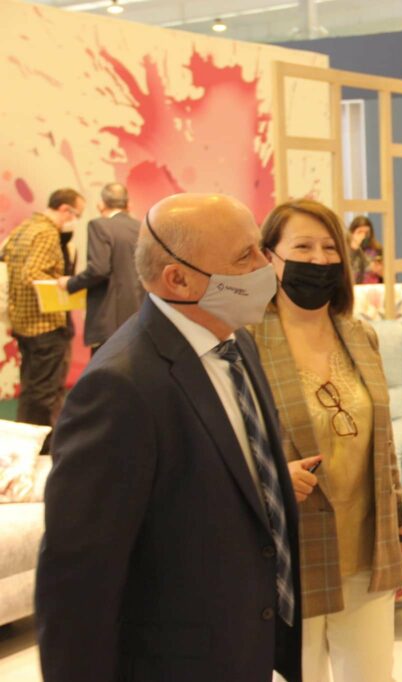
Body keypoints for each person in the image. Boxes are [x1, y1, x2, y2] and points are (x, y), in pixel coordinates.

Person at [35, 193, 303, 682]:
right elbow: (77, 580)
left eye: (261, 248)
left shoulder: (236, 342)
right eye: (244, 256)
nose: (267, 267)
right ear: (178, 279)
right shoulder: (118, 387)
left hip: (244, 648)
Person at [251, 199, 402, 681]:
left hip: (366, 548)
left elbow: (384, 449)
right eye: (302, 247)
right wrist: (272, 477)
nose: (319, 259)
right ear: (269, 258)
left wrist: (399, 535)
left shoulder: (361, 336)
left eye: (329, 248)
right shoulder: (245, 343)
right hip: (289, 552)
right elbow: (225, 445)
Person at [1, 187, 83, 441]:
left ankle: (25, 442)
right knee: (45, 392)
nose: (76, 220)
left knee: (31, 389)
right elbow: (32, 273)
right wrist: (63, 283)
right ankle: (42, 445)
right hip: (45, 323)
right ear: (65, 209)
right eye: (77, 214)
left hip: (23, 322)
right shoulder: (47, 233)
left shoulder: (24, 228)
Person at [57, 182, 144, 355]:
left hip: (109, 320)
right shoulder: (142, 227)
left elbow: (98, 269)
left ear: (101, 205)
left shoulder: (99, 225)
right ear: (128, 205)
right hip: (139, 318)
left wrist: (70, 283)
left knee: (104, 368)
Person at [348, 215, 384, 284]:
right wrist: (355, 248)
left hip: (374, 288)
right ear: (352, 233)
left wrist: (380, 271)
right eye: (359, 232)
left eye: (366, 233)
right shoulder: (345, 251)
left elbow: (390, 276)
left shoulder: (378, 250)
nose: (363, 236)